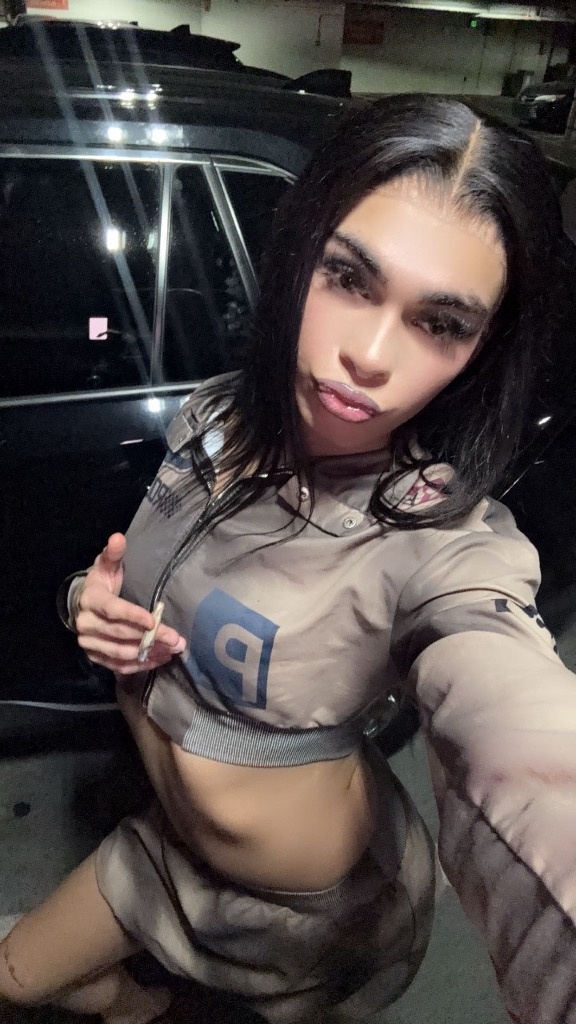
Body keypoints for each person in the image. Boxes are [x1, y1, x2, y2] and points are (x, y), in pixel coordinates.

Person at [1, 93, 575, 1024]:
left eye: (441, 323)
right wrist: (84, 606)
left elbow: (514, 708)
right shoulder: (213, 418)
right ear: (298, 252)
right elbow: (134, 583)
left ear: (482, 352)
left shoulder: (437, 541)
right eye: (347, 277)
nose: (370, 355)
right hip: (159, 842)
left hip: (303, 914)